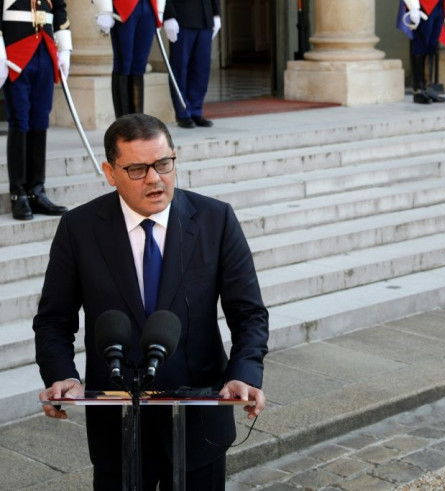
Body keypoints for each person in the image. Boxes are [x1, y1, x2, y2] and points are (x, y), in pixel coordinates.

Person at [34, 113, 269, 489]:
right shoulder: (78, 229)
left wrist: (244, 373)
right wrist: (63, 375)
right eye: (138, 169)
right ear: (110, 172)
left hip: (198, 424)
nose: (156, 179)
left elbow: (249, 314)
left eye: (164, 163)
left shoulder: (215, 219)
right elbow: (53, 321)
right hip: (118, 427)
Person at [1, 0, 71, 220]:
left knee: (40, 119)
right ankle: (18, 193)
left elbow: (59, 7)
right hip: (15, 49)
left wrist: (65, 46)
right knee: (20, 120)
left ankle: (36, 190)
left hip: (45, 48)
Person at [93, 0, 164, 118]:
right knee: (123, 64)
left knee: (139, 66)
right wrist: (104, 9)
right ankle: (123, 122)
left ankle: (137, 121)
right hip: (123, 6)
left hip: (149, 6)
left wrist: (160, 9)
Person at [163, 0, 221, 128]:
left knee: (201, 69)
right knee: (180, 68)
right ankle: (183, 112)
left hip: (205, 17)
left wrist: (216, 13)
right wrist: (168, 15)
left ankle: (196, 110)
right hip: (181, 17)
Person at [397, 0, 445, 104]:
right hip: (422, 5)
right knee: (420, 45)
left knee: (431, 46)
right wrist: (413, 7)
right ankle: (418, 90)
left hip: (438, 4)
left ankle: (428, 87)